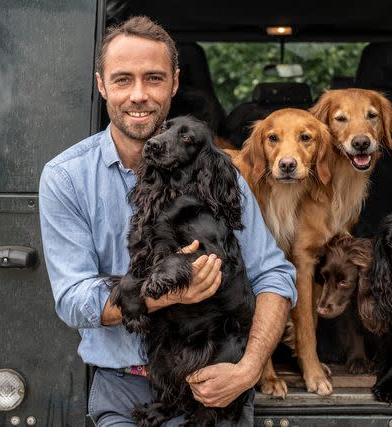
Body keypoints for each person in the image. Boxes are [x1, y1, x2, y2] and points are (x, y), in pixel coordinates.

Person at [38, 15, 296, 426]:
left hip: (216, 386)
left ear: (174, 84)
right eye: (123, 80)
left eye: (153, 78)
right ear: (102, 84)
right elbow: (73, 299)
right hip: (126, 388)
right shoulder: (67, 177)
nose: (138, 95)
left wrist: (247, 370)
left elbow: (275, 276)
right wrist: (168, 293)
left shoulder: (216, 172)